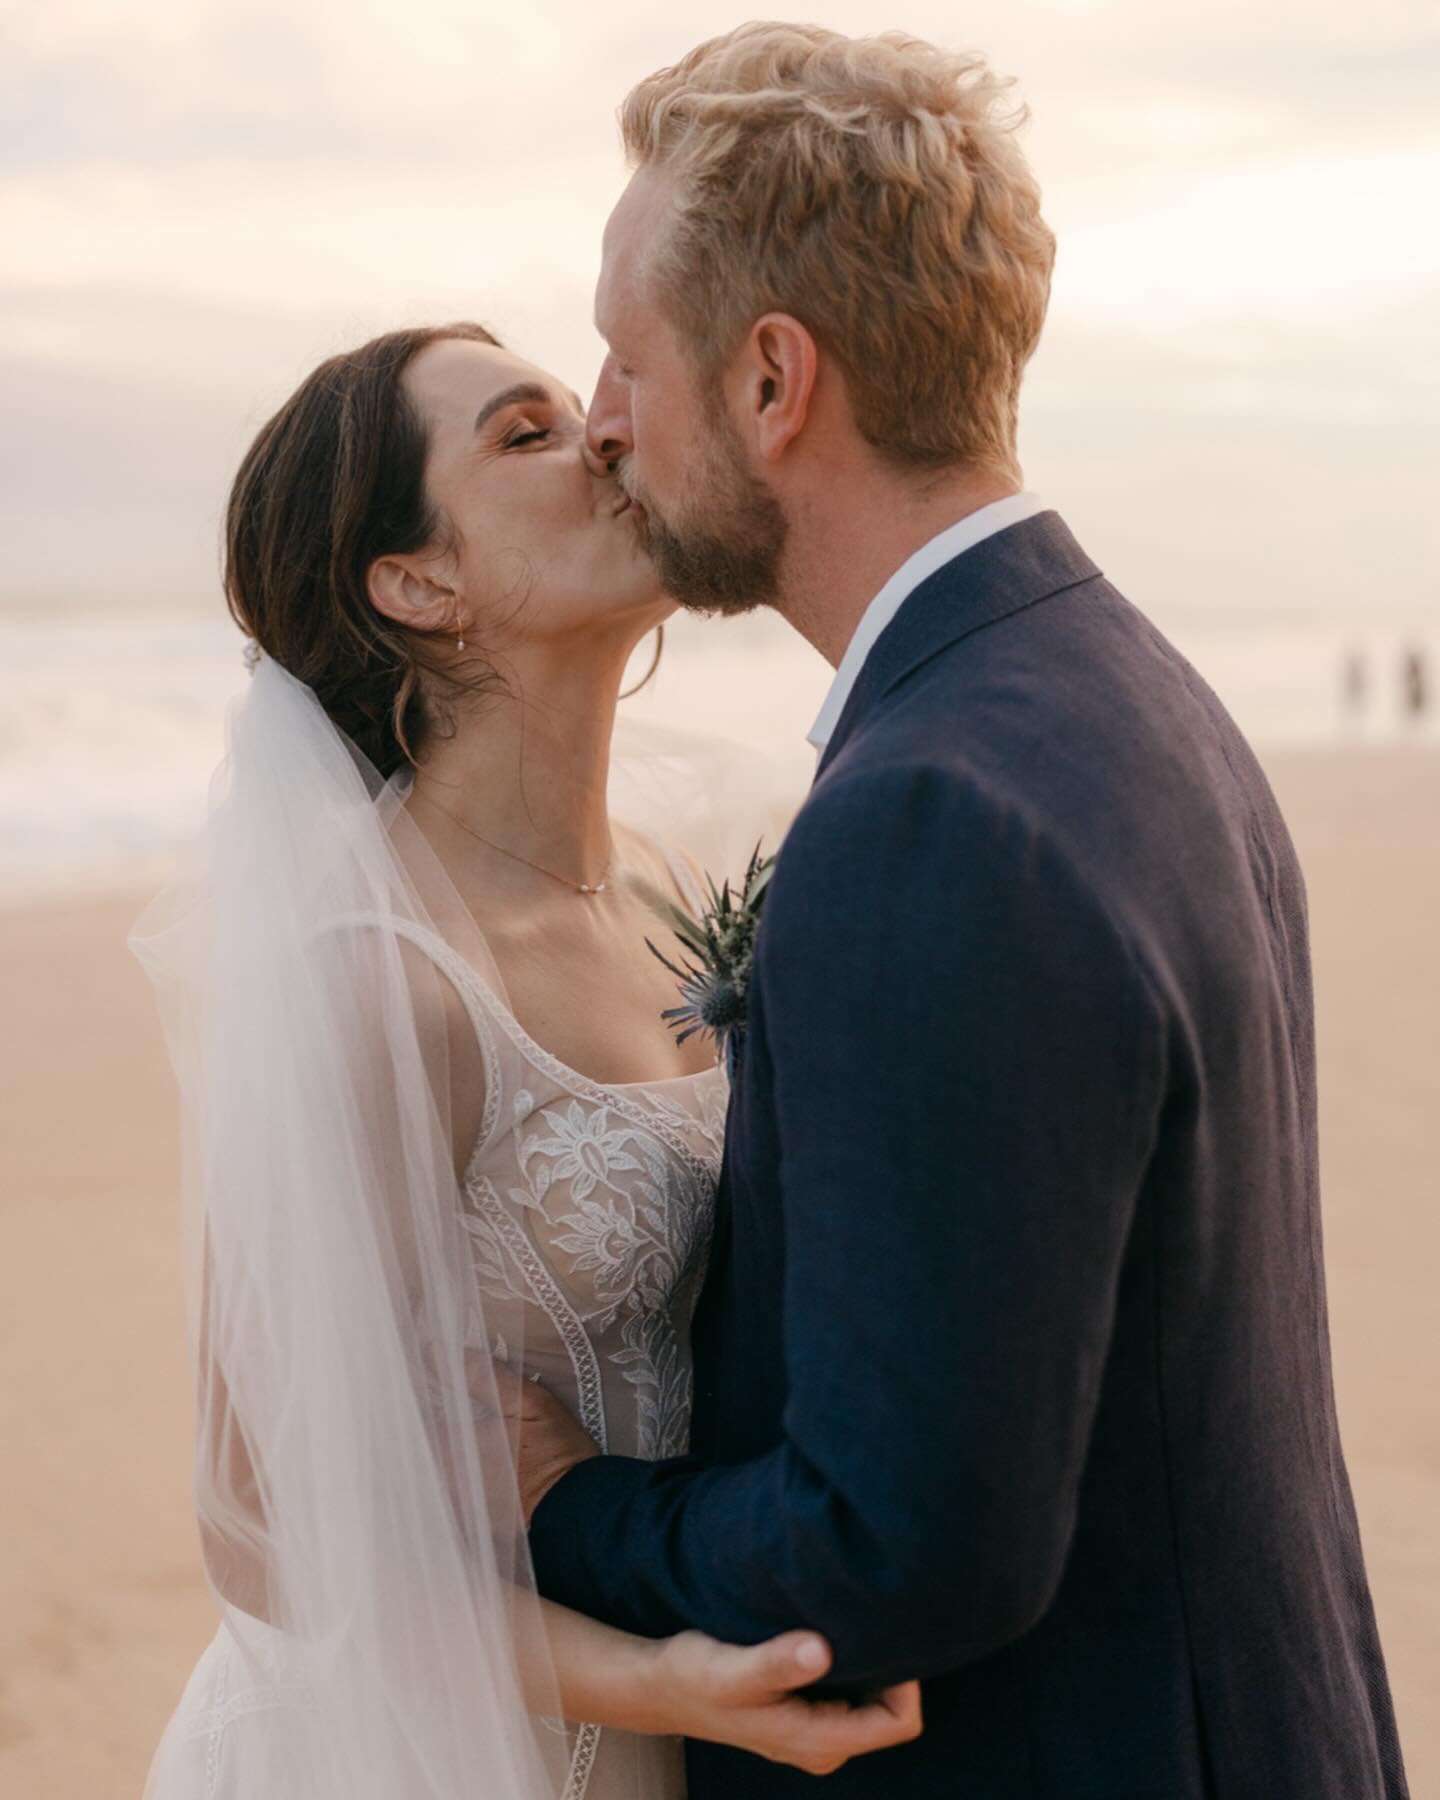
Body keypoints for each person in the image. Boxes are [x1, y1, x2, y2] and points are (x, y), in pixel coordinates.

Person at [510, 23, 1411, 1799]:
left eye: (627, 360)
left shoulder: (931, 812)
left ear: (775, 382)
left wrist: (572, 1509)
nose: (603, 420)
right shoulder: (1129, 691)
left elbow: (907, 1546)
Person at [130, 321, 919, 1799]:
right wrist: (658, 1677)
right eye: (524, 433)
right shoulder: (381, 975)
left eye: (583, 409)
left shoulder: (683, 896)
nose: (607, 440)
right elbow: (257, 1521)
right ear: (419, 586)